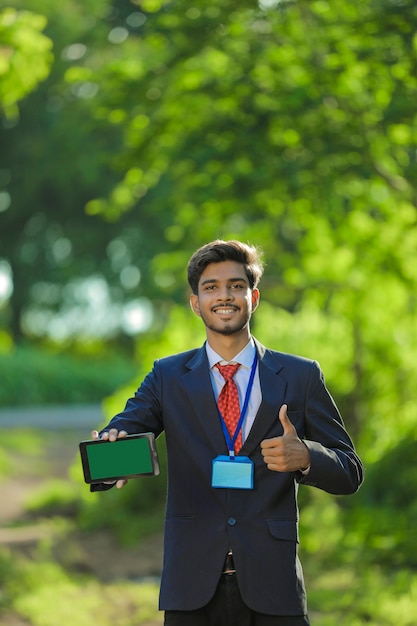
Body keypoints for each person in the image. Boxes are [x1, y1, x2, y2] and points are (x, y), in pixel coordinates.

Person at [90, 239, 364, 626]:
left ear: (253, 297)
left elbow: (350, 470)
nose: (225, 296)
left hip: (274, 585)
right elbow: (126, 426)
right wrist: (110, 452)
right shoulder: (168, 376)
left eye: (236, 286)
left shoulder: (300, 376)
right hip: (191, 585)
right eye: (211, 287)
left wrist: (305, 456)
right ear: (195, 302)